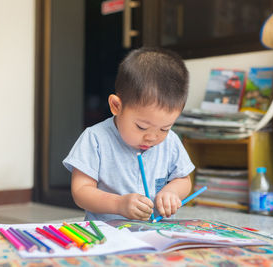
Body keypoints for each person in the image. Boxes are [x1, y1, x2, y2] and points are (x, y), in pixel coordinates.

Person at [63, 47, 195, 221]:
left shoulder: (170, 141)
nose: (152, 137)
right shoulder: (95, 139)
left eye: (164, 128)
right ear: (116, 106)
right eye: (141, 127)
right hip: (106, 234)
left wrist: (171, 192)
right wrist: (119, 204)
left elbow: (184, 180)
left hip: (153, 233)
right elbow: (81, 191)